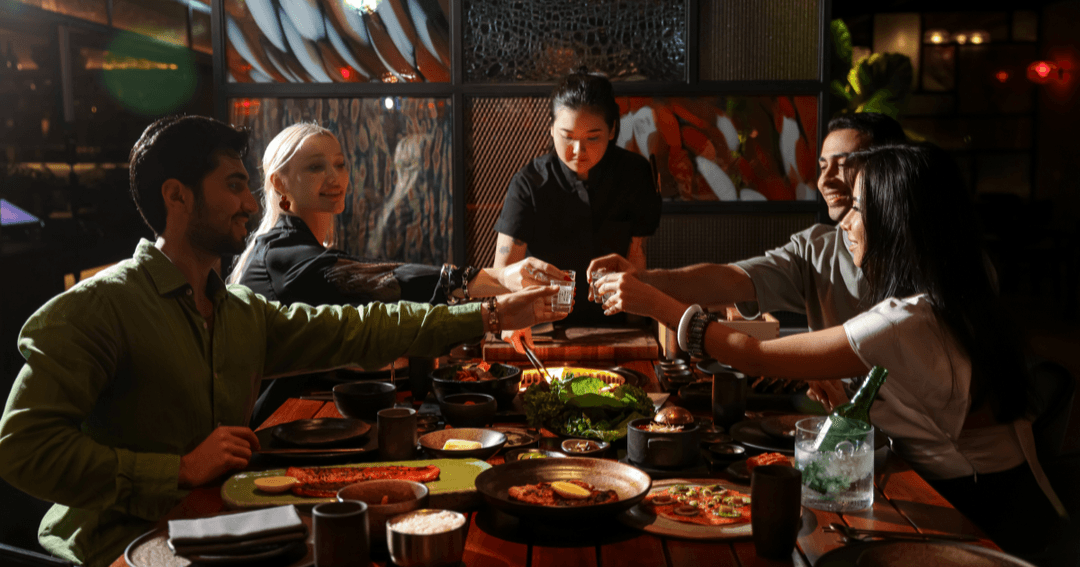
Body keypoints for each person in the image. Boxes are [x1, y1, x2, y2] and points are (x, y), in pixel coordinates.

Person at [0, 115, 564, 567]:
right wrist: (175, 469)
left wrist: (488, 313)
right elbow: (21, 448)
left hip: (218, 522)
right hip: (120, 546)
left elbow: (363, 326)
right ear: (177, 196)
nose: (251, 204)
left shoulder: (239, 311)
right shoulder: (98, 309)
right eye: (234, 185)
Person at [594, 142, 1066, 556]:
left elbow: (754, 355)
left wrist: (656, 305)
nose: (844, 219)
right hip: (994, 494)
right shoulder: (952, 292)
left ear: (894, 219)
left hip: (980, 512)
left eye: (858, 207)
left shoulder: (906, 319)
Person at [229, 122, 567, 424]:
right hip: (267, 428)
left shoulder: (292, 246)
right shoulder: (281, 253)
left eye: (340, 164)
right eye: (316, 167)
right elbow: (380, 282)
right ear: (278, 182)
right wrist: (499, 282)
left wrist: (499, 283)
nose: (334, 177)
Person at [587, 112, 906, 405]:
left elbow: (757, 357)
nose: (825, 180)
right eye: (822, 166)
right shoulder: (818, 247)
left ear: (890, 169)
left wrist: (655, 304)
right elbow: (730, 279)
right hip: (853, 425)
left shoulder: (917, 276)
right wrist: (641, 279)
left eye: (844, 164)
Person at [492, 69, 662, 339]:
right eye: (567, 136)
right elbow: (502, 272)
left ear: (612, 130)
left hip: (615, 325)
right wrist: (505, 323)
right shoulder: (529, 183)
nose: (577, 151)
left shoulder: (634, 174)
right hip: (541, 328)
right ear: (550, 128)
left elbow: (636, 257)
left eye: (592, 138)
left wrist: (641, 329)